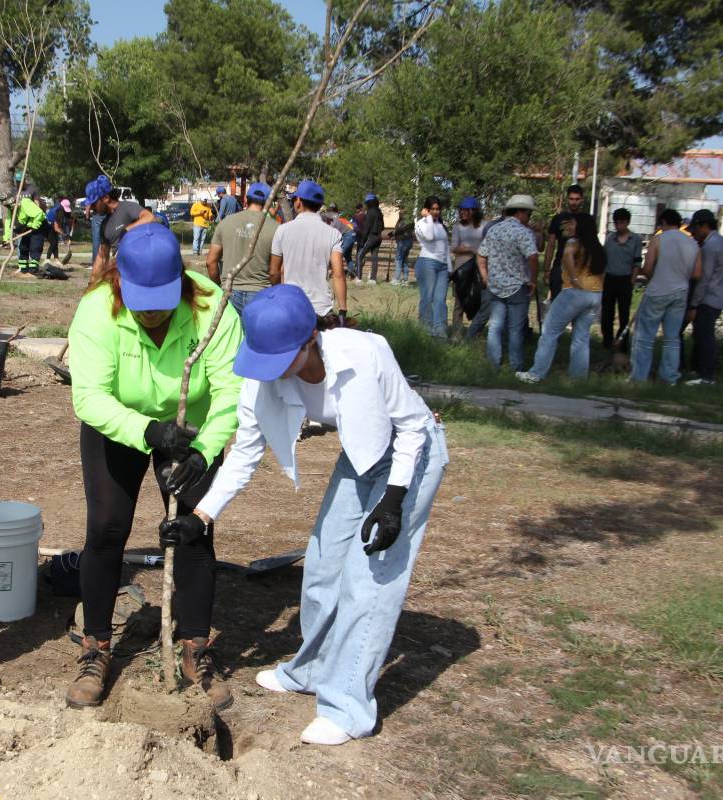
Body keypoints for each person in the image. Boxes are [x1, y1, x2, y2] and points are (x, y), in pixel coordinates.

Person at [161, 284, 447, 745]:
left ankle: (349, 708)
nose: (272, 369)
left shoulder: (366, 351)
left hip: (413, 454)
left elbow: (413, 426)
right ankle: (311, 668)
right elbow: (245, 453)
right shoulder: (262, 373)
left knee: (368, 581)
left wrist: (394, 500)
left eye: (282, 356)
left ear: (310, 336)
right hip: (362, 455)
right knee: (322, 565)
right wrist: (201, 515)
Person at [65, 223, 243, 710]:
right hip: (119, 425)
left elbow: (231, 391)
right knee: (105, 528)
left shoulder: (213, 308)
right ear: (120, 281)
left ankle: (194, 648)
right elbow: (90, 397)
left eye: (162, 299)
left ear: (182, 282)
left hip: (191, 429)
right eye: (141, 299)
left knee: (194, 531)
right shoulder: (96, 311)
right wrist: (146, 431)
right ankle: (96, 646)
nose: (151, 311)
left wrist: (204, 449)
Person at [516, 212, 606, 382]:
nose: (568, 227)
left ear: (580, 226)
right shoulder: (596, 246)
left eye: (571, 223)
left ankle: (536, 374)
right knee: (581, 337)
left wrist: (573, 277)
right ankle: (578, 378)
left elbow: (567, 255)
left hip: (574, 292)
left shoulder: (573, 242)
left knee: (549, 331)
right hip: (595, 294)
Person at [629, 209, 702, 384]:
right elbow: (697, 274)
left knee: (645, 336)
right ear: (679, 223)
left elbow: (647, 271)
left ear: (662, 222)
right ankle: (669, 377)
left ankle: (639, 376)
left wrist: (638, 270)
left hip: (658, 292)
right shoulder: (693, 244)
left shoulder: (658, 239)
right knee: (672, 338)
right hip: (680, 294)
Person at [268, 180, 349, 328]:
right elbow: (338, 275)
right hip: (322, 310)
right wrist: (342, 311)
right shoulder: (333, 234)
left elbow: (274, 272)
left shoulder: (283, 231)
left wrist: (279, 296)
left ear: (298, 202)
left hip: (292, 307)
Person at [477, 195, 539, 371]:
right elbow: (533, 257)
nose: (529, 218)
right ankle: (516, 366)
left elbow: (481, 255)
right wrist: (533, 280)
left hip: (496, 286)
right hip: (517, 286)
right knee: (515, 329)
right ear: (521, 212)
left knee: (495, 326)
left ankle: (493, 363)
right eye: (529, 214)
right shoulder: (523, 232)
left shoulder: (494, 230)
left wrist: (485, 276)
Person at [207, 181, 278, 313]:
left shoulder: (225, 223)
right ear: (268, 202)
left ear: (246, 199)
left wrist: (218, 286)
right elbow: (275, 271)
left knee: (233, 333)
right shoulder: (276, 228)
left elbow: (210, 261)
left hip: (229, 290)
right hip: (261, 292)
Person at [684, 209, 723, 385]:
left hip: (707, 299)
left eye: (695, 231)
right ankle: (698, 371)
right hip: (718, 298)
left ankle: (706, 376)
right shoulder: (722, 242)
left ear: (703, 226)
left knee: (705, 338)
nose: (694, 235)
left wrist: (693, 305)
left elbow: (703, 279)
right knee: (701, 336)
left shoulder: (710, 247)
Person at [90, 174, 156, 277]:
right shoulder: (104, 224)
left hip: (140, 270)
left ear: (106, 198)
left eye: (93, 204)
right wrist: (91, 283)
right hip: (121, 273)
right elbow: (102, 257)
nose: (91, 208)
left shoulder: (127, 207)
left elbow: (150, 218)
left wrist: (126, 231)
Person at [600, 208, 642, 349]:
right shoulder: (610, 238)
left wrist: (632, 280)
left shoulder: (635, 239)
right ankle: (607, 341)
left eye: (622, 222)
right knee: (607, 312)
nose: (619, 226)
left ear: (628, 222)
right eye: (617, 223)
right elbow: (604, 260)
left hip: (625, 279)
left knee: (624, 314)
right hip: (610, 279)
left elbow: (637, 263)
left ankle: (622, 342)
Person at [413, 195, 450, 338]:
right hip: (427, 262)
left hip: (442, 265)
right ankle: (425, 330)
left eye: (438, 209)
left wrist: (450, 267)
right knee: (427, 298)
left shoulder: (440, 225)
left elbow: (446, 246)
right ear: (426, 210)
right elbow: (429, 237)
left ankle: (440, 331)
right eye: (432, 209)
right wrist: (427, 218)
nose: (436, 212)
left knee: (440, 299)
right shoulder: (421, 223)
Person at [544, 184, 586, 301]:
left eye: (577, 199)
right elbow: (551, 245)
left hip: (579, 269)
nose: (574, 202)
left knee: (577, 306)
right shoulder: (558, 219)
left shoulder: (588, 220)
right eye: (571, 199)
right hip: (560, 267)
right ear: (567, 199)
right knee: (557, 304)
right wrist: (547, 270)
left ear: (581, 199)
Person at [450, 197, 485, 330]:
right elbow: (454, 247)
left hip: (479, 268)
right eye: (461, 210)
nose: (462, 212)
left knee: (477, 300)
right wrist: (470, 250)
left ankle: (475, 332)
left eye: (466, 210)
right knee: (459, 302)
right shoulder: (457, 227)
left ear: (474, 211)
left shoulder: (484, 225)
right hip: (462, 268)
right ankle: (456, 333)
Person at [13, 189, 46, 274]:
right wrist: (6, 238)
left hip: (38, 227)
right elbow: (9, 223)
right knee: (23, 248)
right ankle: (23, 270)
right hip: (27, 229)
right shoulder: (12, 209)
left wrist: (35, 226)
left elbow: (40, 213)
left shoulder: (25, 203)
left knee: (35, 249)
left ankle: (33, 271)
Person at [357, 194, 384, 284]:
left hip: (371, 236)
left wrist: (362, 241)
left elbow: (366, 228)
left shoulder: (370, 212)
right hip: (379, 237)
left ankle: (359, 278)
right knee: (374, 257)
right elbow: (383, 226)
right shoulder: (379, 212)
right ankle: (373, 279)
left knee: (360, 255)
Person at [389, 215, 415, 286]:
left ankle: (396, 279)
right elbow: (399, 229)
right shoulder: (401, 218)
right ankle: (405, 279)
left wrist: (395, 233)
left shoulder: (407, 218)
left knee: (398, 259)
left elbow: (402, 229)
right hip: (403, 240)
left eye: (401, 208)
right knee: (404, 260)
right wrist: (394, 235)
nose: (400, 210)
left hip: (404, 241)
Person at [47, 197, 73, 265]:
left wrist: (67, 238)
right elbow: (56, 228)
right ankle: (47, 259)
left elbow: (63, 225)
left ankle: (56, 259)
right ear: (62, 206)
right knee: (53, 242)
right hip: (48, 225)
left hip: (54, 225)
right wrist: (64, 235)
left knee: (55, 242)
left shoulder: (62, 212)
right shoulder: (57, 211)